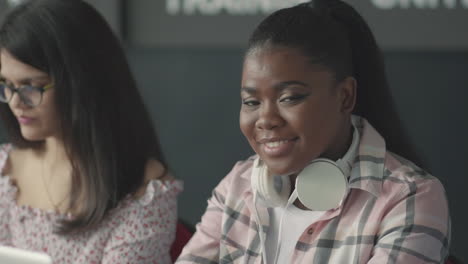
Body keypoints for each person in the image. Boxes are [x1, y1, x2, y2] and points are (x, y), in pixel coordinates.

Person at [176, 0, 450, 263]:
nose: (266, 119)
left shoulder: (411, 198)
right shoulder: (239, 185)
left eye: (290, 97)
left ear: (344, 97)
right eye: (251, 102)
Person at [0, 0, 182, 263]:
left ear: (81, 81)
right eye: (6, 85)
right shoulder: (5, 172)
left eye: (32, 86)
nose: (16, 102)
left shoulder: (144, 193)